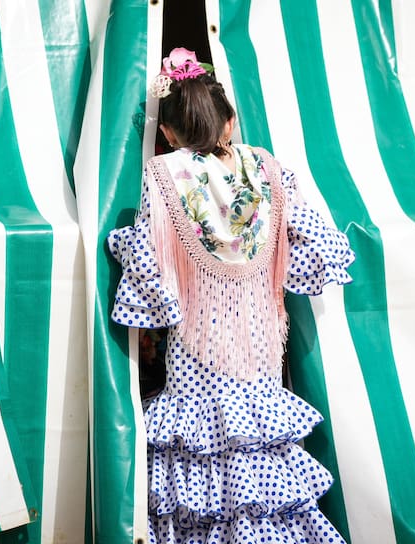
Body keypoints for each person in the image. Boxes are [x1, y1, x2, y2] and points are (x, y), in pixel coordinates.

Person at [108, 47, 354, 543]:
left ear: (168, 132)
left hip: (197, 348)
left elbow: (151, 274)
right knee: (259, 465)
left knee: (202, 460)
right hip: (260, 345)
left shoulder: (162, 176)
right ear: (229, 122)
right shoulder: (267, 169)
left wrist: (122, 245)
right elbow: (316, 243)